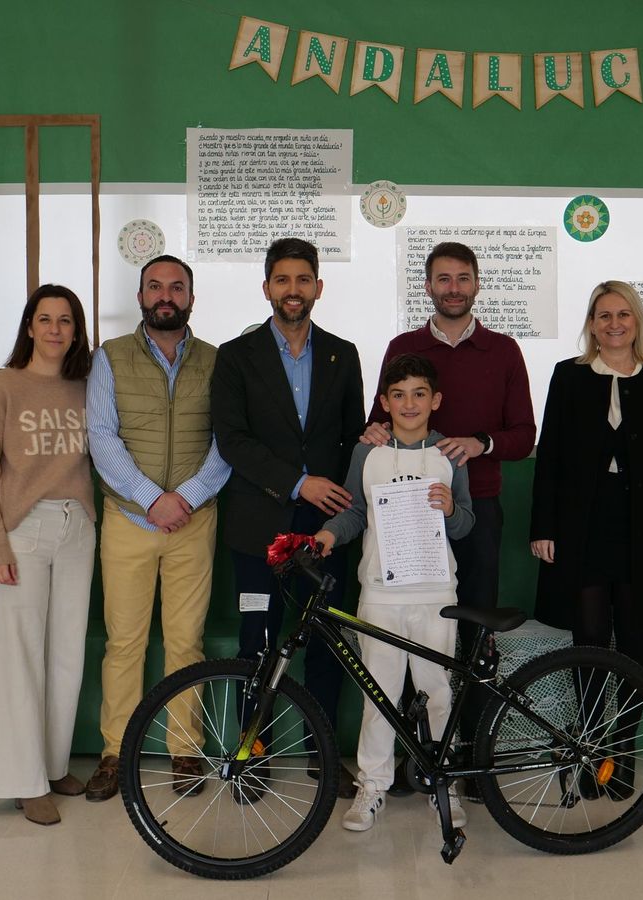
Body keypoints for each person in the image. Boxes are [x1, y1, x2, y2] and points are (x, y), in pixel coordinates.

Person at [363, 241, 535, 797]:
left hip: (475, 510)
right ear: (429, 286)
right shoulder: (404, 346)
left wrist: (480, 442)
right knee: (412, 638)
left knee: (475, 637)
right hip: (406, 515)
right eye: (443, 278)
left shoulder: (504, 350)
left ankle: (473, 760)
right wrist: (370, 434)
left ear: (478, 284)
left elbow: (523, 435)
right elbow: (378, 420)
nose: (453, 287)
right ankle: (417, 760)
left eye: (463, 278)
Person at [529, 280, 643, 800]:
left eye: (624, 314)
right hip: (583, 527)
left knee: (636, 642)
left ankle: (622, 753)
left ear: (637, 321)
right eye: (604, 315)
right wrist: (543, 528)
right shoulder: (570, 376)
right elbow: (550, 456)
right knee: (590, 639)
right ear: (592, 323)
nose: (615, 324)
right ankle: (590, 748)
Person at [210, 237, 365, 797]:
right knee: (259, 640)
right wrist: (300, 482)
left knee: (326, 643)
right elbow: (232, 441)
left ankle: (323, 758)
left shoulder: (342, 355)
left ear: (318, 288)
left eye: (304, 280)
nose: (293, 290)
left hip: (327, 528)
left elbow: (353, 438)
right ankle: (253, 754)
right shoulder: (235, 356)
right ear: (267, 288)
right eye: (283, 280)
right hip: (259, 528)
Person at [81, 255, 230, 803]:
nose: (165, 295)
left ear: (191, 295)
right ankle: (116, 753)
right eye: (155, 286)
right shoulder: (111, 358)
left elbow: (227, 442)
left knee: (186, 642)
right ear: (140, 295)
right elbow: (101, 435)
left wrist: (184, 499)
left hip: (195, 521)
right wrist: (151, 499)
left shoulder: (217, 361)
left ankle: (184, 751)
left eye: (176, 286)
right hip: (127, 520)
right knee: (125, 643)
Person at [316, 353, 475, 832]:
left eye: (419, 394)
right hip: (380, 595)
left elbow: (466, 524)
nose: (409, 403)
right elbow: (354, 515)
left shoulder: (449, 455)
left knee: (437, 692)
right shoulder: (368, 453)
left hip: (435, 594)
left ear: (436, 400)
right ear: (384, 401)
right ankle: (373, 785)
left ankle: (442, 783)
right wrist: (327, 535)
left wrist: (450, 510)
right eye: (399, 395)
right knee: (378, 694)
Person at [0, 283, 96, 826]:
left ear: (76, 330)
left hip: (78, 528)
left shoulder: (86, 387)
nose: (54, 330)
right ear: (29, 327)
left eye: (65, 321)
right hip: (23, 531)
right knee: (19, 655)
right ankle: (22, 782)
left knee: (67, 655)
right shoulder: (3, 388)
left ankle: (52, 764)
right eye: (45, 319)